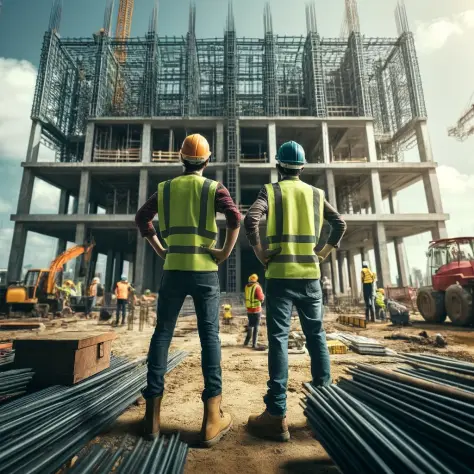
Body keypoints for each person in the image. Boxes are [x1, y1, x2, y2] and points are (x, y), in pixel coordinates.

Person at [135, 133, 241, 446]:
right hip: (205, 272)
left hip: (173, 271)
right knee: (209, 336)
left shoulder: (165, 189)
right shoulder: (213, 187)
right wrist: (223, 252)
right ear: (207, 161)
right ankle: (211, 418)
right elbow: (235, 216)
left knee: (162, 334)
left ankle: (152, 416)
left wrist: (160, 250)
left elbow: (142, 218)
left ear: (182, 159)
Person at [244, 140, 347, 441]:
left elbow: (251, 219)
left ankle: (276, 415)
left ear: (278, 165)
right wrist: (322, 253)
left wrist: (261, 253)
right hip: (310, 277)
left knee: (278, 340)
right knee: (316, 338)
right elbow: (339, 223)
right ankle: (324, 410)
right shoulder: (316, 194)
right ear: (302, 167)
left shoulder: (271, 191)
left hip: (279, 277)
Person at [244, 274, 264, 349]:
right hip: (256, 310)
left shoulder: (246, 287)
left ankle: (246, 342)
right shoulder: (257, 287)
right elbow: (261, 298)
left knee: (250, 325)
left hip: (249, 310)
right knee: (256, 327)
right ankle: (254, 344)